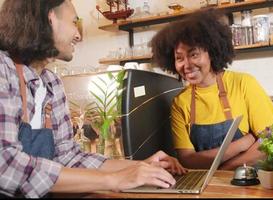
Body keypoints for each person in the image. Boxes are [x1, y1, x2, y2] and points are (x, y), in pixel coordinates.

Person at [0, 0, 186, 198]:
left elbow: (68, 157)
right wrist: (114, 180)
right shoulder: (4, 70)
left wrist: (140, 166)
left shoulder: (51, 83)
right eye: (74, 22)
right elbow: (5, 164)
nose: (79, 35)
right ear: (50, 19)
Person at [150, 8, 273, 170]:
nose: (187, 65)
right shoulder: (180, 102)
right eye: (179, 58)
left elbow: (271, 140)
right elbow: (188, 160)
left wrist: (223, 169)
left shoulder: (243, 83)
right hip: (209, 188)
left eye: (194, 55)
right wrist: (242, 144)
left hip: (250, 182)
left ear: (211, 52)